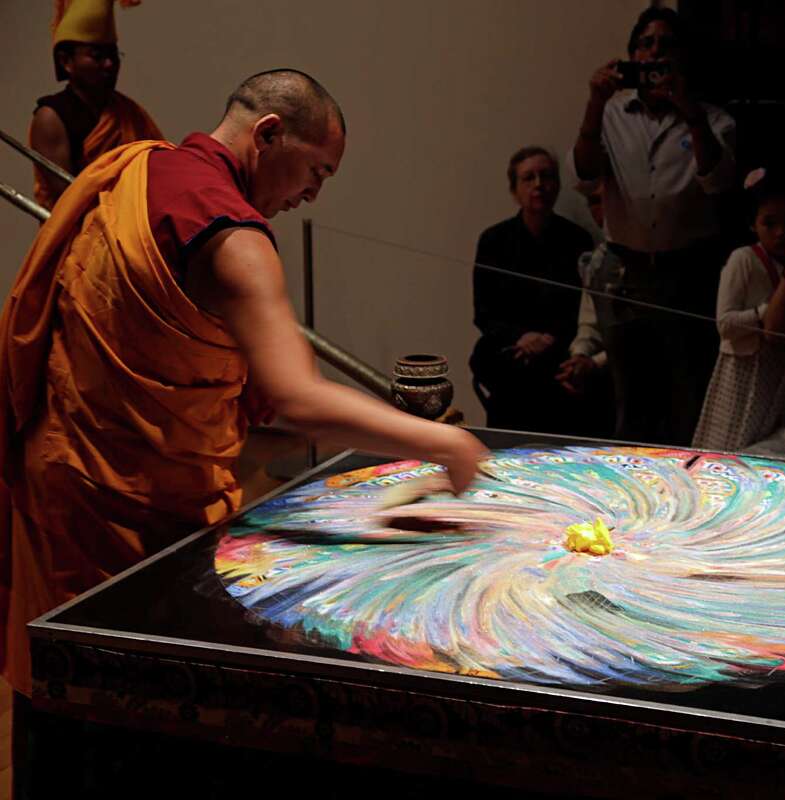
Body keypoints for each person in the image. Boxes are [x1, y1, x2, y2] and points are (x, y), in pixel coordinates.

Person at [0, 69, 487, 701]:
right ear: (270, 133)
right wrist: (444, 445)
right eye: (318, 172)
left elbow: (223, 390)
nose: (313, 194)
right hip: (132, 511)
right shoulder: (233, 236)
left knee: (65, 686)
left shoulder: (137, 173)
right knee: (133, 696)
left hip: (63, 472)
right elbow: (298, 398)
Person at [572, 6, 737, 445]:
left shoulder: (715, 119)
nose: (655, 54)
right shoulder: (611, 114)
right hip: (626, 275)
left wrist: (690, 114)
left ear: (683, 57)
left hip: (688, 272)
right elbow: (586, 175)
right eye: (646, 44)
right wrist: (593, 103)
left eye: (666, 45)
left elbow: (719, 182)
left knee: (687, 396)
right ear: (631, 56)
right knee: (631, 399)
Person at [469, 146, 595, 434]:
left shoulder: (577, 240)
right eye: (529, 178)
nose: (539, 184)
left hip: (559, 345)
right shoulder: (493, 241)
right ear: (515, 190)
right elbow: (484, 312)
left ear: (557, 186)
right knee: (498, 364)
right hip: (513, 346)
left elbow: (581, 307)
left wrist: (548, 339)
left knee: (566, 373)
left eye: (546, 176)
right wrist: (522, 337)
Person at [692, 170, 785, 452]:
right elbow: (724, 323)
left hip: (777, 372)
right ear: (752, 224)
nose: (780, 232)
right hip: (742, 371)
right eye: (769, 223)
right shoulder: (743, 259)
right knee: (728, 446)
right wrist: (764, 311)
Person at [29, 0, 162, 209]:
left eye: (113, 55)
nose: (109, 64)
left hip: (132, 221)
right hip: (80, 234)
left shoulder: (128, 113)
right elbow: (70, 200)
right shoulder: (51, 118)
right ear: (66, 61)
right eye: (97, 56)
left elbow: (158, 169)